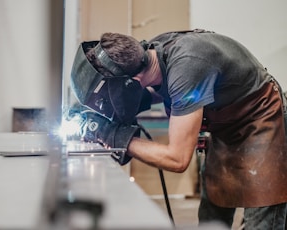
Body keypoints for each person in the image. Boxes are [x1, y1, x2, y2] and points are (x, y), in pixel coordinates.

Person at [69, 29, 287, 229]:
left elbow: (177, 158)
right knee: (212, 216)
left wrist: (114, 135)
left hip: (262, 121)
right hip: (226, 130)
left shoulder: (187, 67)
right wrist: (93, 112)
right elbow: (152, 92)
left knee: (262, 222)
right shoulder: (152, 54)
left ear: (131, 82)